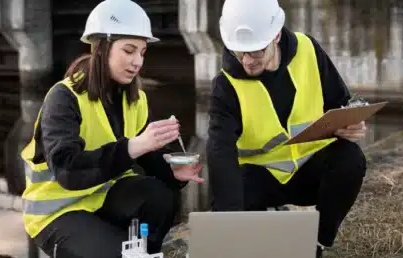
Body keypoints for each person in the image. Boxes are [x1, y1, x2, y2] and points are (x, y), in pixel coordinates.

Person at [20, 0, 203, 257]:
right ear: (100, 47)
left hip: (103, 195)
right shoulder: (63, 98)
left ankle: (144, 253)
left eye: (142, 52)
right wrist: (134, 145)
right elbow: (67, 170)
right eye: (129, 50)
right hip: (57, 210)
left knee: (161, 196)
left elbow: (146, 156)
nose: (137, 61)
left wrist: (173, 172)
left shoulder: (136, 99)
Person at [206, 0, 367, 257]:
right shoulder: (225, 87)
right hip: (259, 181)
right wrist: (228, 227)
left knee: (350, 159)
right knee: (229, 195)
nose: (247, 61)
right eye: (239, 52)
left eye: (256, 51)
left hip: (309, 172)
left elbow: (341, 102)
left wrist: (353, 121)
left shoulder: (308, 50)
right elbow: (220, 154)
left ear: (276, 35)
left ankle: (317, 243)